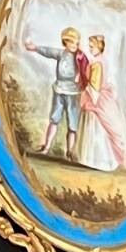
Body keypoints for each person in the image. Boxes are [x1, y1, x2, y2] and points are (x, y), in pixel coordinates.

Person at [25, 28, 87, 159]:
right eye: (72, 42)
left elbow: (86, 70)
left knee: (72, 124)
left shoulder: (80, 57)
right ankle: (46, 147)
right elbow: (48, 51)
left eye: (76, 43)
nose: (75, 45)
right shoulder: (61, 54)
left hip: (73, 93)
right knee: (54, 119)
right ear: (66, 42)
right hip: (59, 90)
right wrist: (35, 48)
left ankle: (70, 152)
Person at [77, 33, 126, 173]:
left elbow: (95, 86)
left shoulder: (96, 63)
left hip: (97, 97)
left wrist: (86, 89)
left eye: (92, 47)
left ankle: (95, 160)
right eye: (89, 46)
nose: (90, 49)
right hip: (102, 95)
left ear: (99, 47)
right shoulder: (101, 60)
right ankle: (94, 160)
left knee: (101, 122)